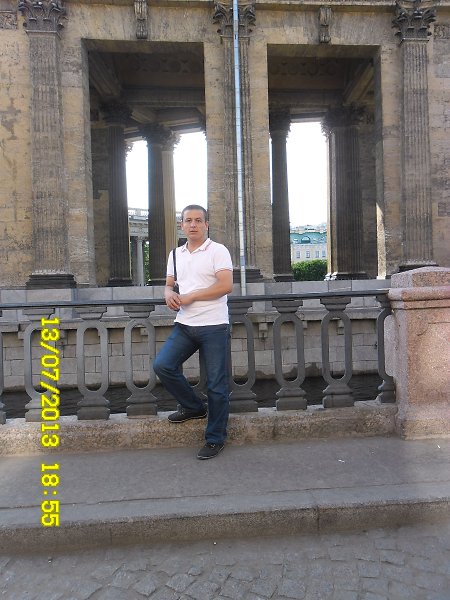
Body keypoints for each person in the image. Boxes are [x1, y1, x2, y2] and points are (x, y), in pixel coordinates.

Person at [153, 205, 233, 460]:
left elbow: (225, 285)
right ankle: (194, 407)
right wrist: (168, 294)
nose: (193, 224)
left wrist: (192, 296)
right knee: (163, 365)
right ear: (182, 225)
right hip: (185, 324)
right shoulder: (175, 254)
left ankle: (215, 439)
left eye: (198, 220)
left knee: (217, 385)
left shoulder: (218, 250)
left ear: (206, 224)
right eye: (188, 220)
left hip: (214, 325)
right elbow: (169, 284)